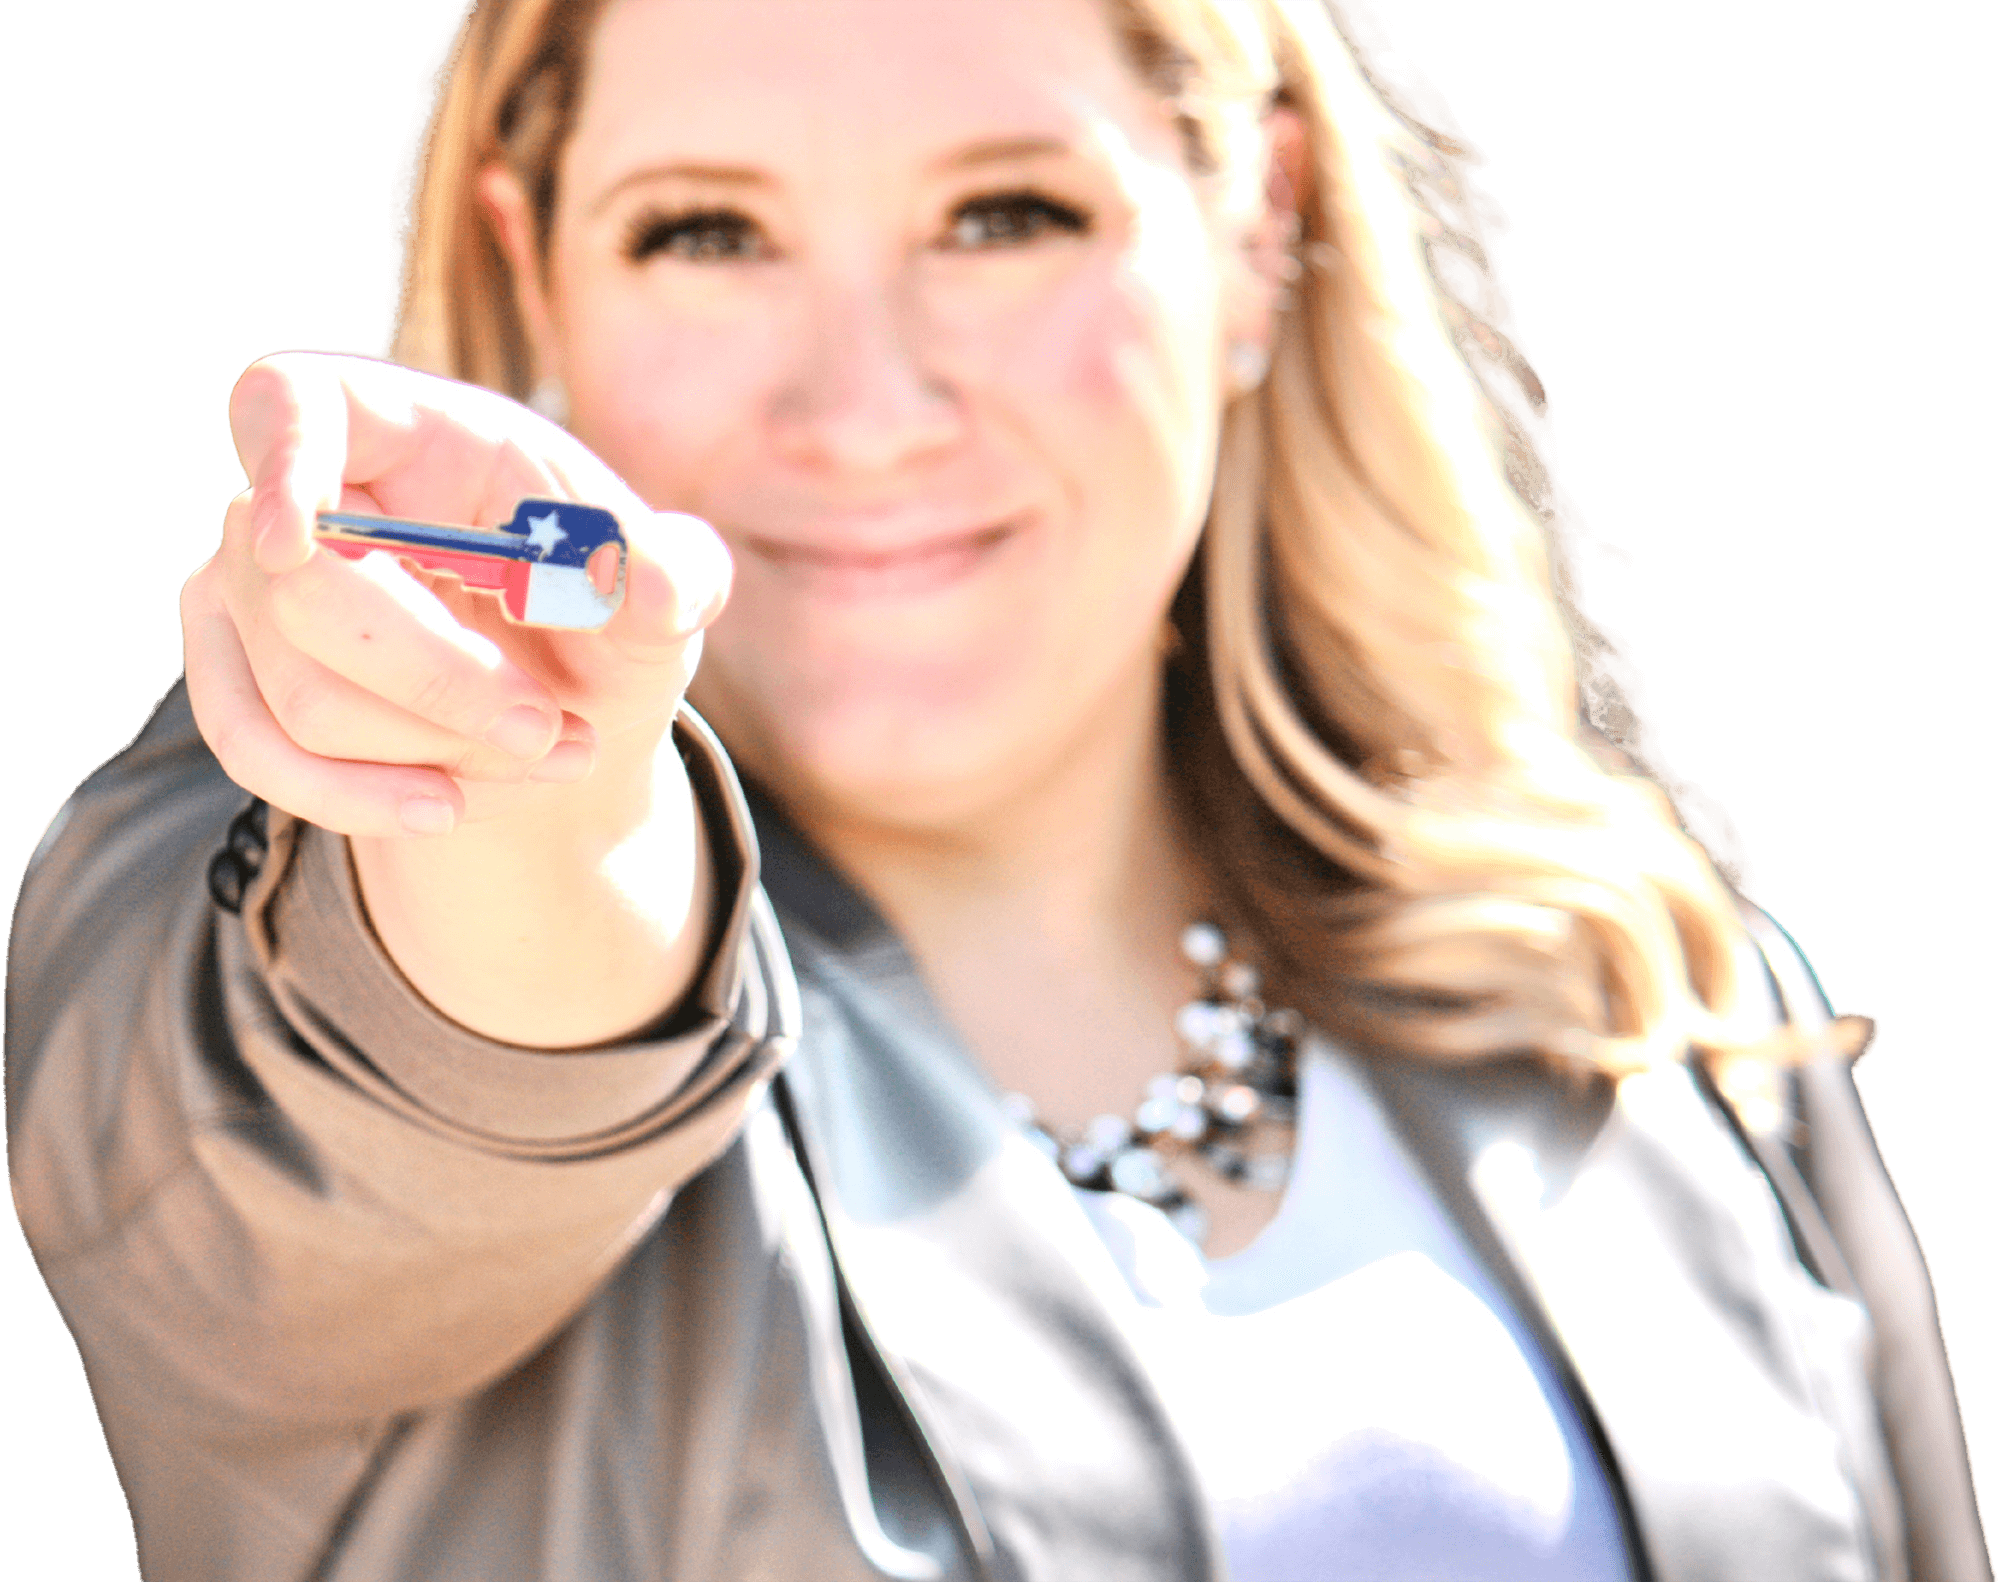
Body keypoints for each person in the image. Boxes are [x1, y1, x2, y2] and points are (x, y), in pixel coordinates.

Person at [6, 0, 1985, 1578]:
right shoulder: (262, 897)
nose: (863, 408)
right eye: (707, 229)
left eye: (1006, 213)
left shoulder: (1652, 992)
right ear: (538, 277)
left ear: (1255, 228)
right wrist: (538, 769)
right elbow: (429, 1056)